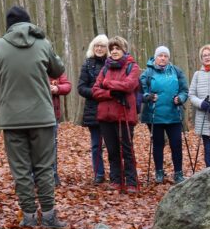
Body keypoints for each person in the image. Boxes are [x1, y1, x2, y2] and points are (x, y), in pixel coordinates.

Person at [0, 6, 67, 228]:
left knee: (21, 169)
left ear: (8, 25)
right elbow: (58, 70)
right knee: (44, 167)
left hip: (12, 118)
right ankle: (48, 216)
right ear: (29, 23)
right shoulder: (43, 43)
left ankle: (28, 216)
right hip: (42, 116)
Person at [91, 37, 141, 192]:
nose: (114, 51)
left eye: (117, 48)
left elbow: (129, 85)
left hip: (124, 114)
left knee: (127, 149)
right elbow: (95, 91)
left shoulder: (132, 67)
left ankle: (131, 182)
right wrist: (112, 93)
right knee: (112, 150)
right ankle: (116, 180)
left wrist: (107, 85)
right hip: (105, 116)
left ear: (124, 50)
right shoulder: (105, 68)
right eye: (112, 48)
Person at [139, 46, 189, 184]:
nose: (163, 58)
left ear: (168, 58)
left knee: (176, 144)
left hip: (174, 114)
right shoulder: (147, 73)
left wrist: (181, 98)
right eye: (160, 55)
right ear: (155, 57)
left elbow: (185, 90)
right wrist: (148, 97)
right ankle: (159, 172)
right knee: (158, 144)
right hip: (154, 114)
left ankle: (178, 173)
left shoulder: (176, 71)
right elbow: (139, 93)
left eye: (165, 56)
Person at [77, 35, 110, 184]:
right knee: (96, 145)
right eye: (97, 45)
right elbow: (81, 88)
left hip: (110, 109)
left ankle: (116, 173)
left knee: (112, 144)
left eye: (102, 46)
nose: (99, 48)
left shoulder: (112, 64)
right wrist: (96, 93)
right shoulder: (87, 64)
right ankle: (99, 173)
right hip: (93, 110)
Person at [47, 71, 72, 186]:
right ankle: (34, 175)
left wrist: (57, 88)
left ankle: (53, 175)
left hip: (52, 115)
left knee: (52, 145)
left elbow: (67, 85)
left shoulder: (53, 67)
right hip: (33, 114)